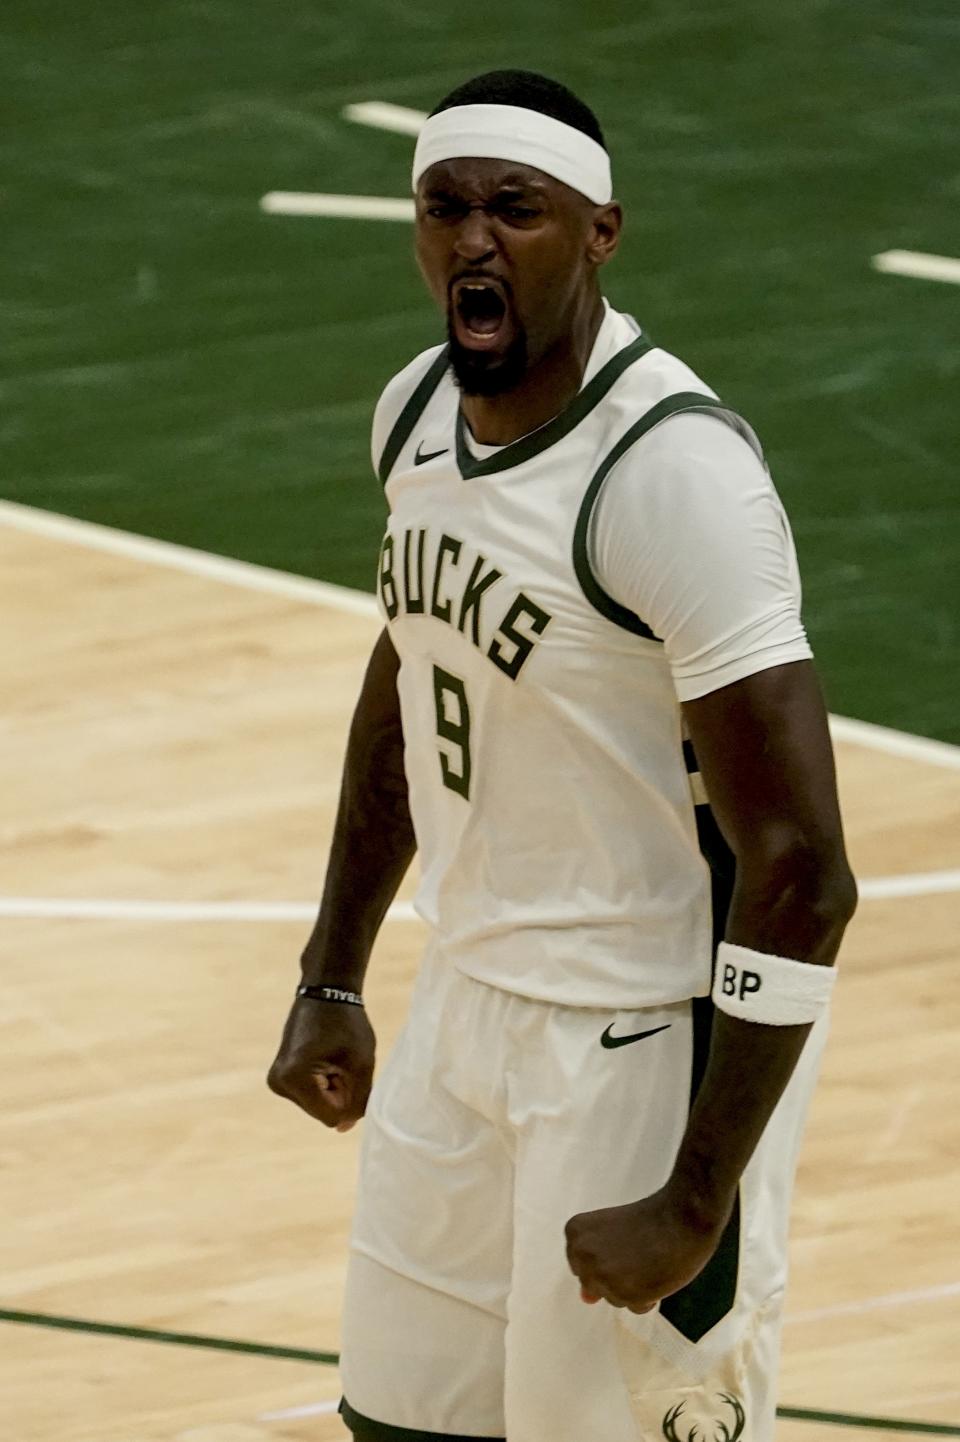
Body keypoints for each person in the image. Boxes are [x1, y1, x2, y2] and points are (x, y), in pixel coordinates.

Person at [268, 68, 857, 1442]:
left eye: (514, 210)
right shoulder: (414, 414)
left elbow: (805, 871)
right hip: (467, 999)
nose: (474, 239)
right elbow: (415, 663)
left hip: (640, 1043)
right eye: (445, 207)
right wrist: (332, 968)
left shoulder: (672, 474)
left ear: (598, 231)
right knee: (401, 1421)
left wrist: (698, 1195)